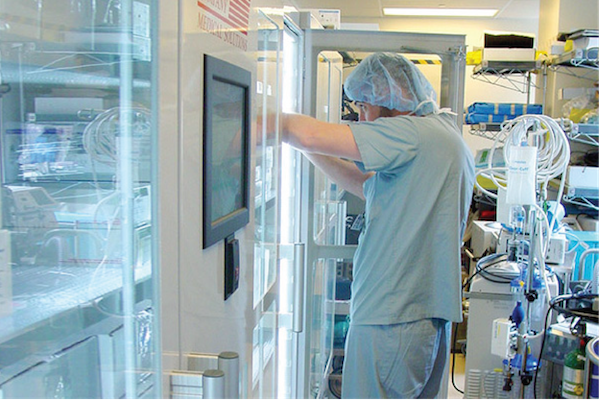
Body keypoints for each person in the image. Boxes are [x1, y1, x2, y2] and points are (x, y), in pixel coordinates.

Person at [277, 52, 475, 399]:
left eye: (364, 107)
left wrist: (265, 119)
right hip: (414, 317)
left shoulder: (411, 134)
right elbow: (366, 186)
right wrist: (304, 149)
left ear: (391, 97)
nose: (362, 118)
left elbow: (305, 133)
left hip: (392, 317)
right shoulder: (441, 134)